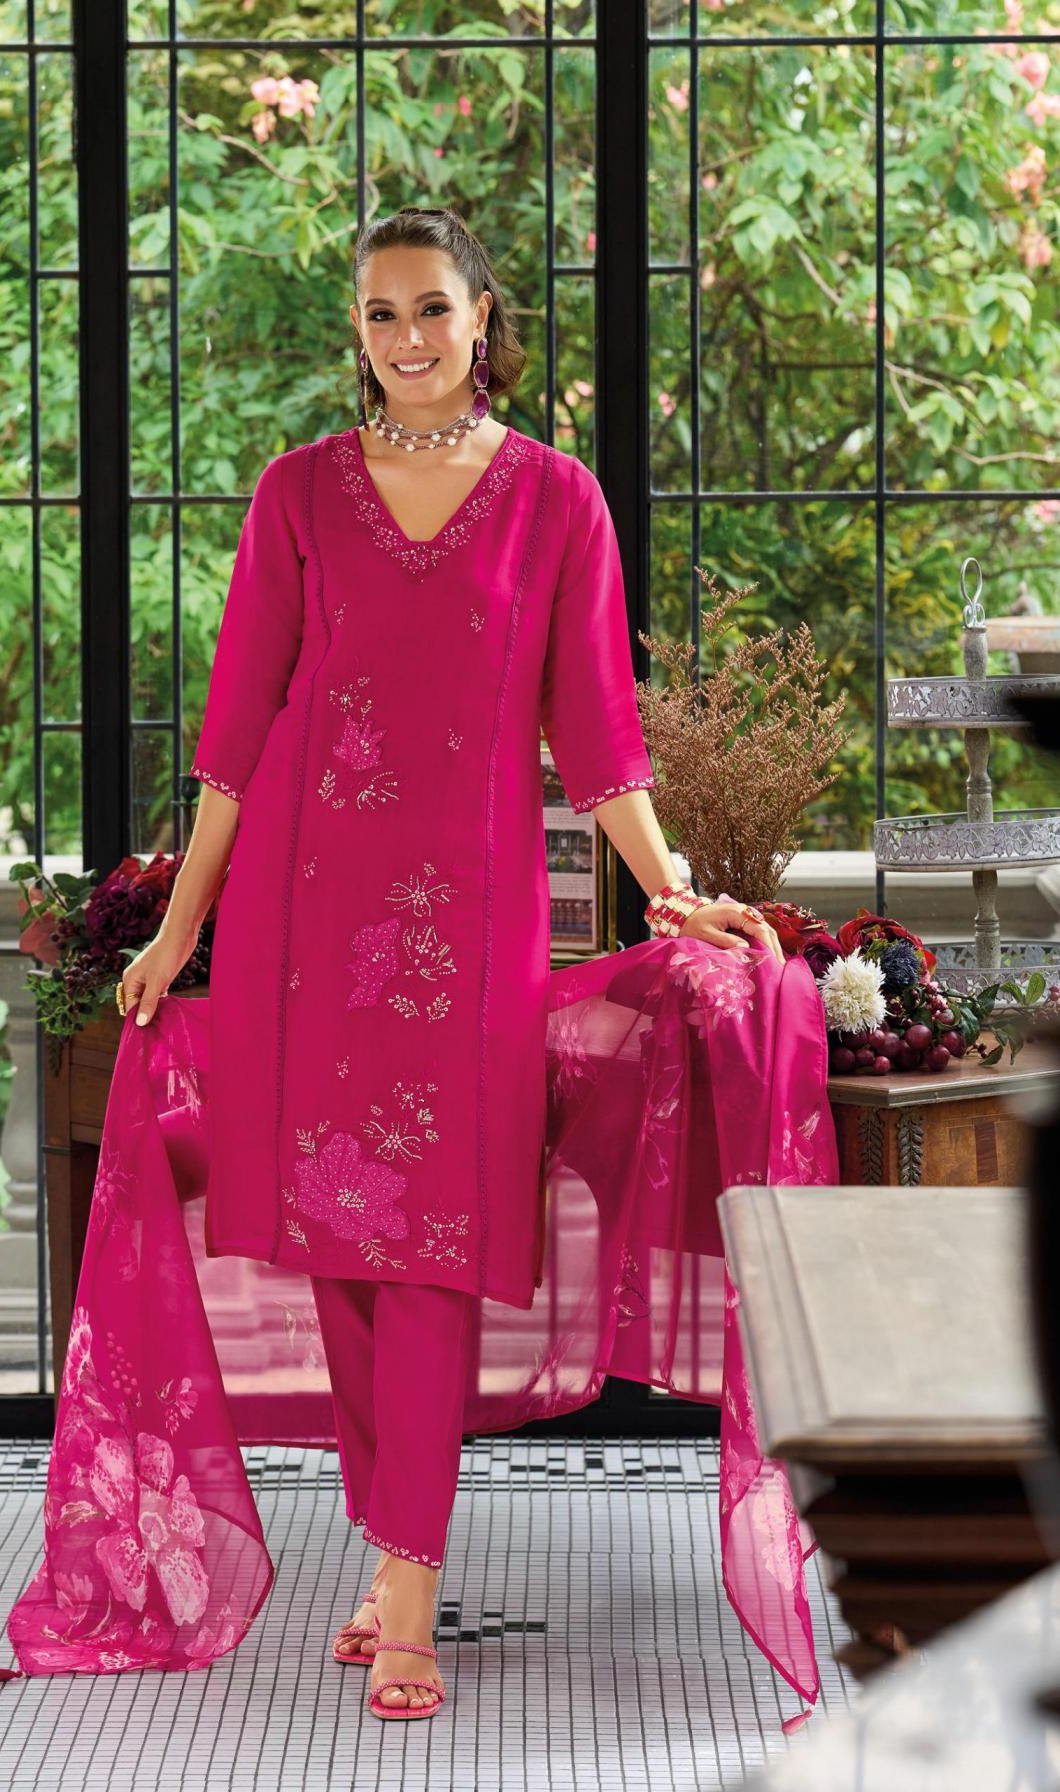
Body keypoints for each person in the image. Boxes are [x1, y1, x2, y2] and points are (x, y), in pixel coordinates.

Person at [105, 205, 785, 1722]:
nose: (406, 338)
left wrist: (672, 892)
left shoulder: (558, 502)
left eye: (431, 308)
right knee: (344, 1245)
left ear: (484, 318)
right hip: (299, 913)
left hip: (468, 930)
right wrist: (181, 925)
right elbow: (237, 732)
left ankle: (409, 1586)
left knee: (433, 1240)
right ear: (358, 335)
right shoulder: (298, 493)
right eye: (380, 315)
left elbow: (598, 733)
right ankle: (389, 1543)